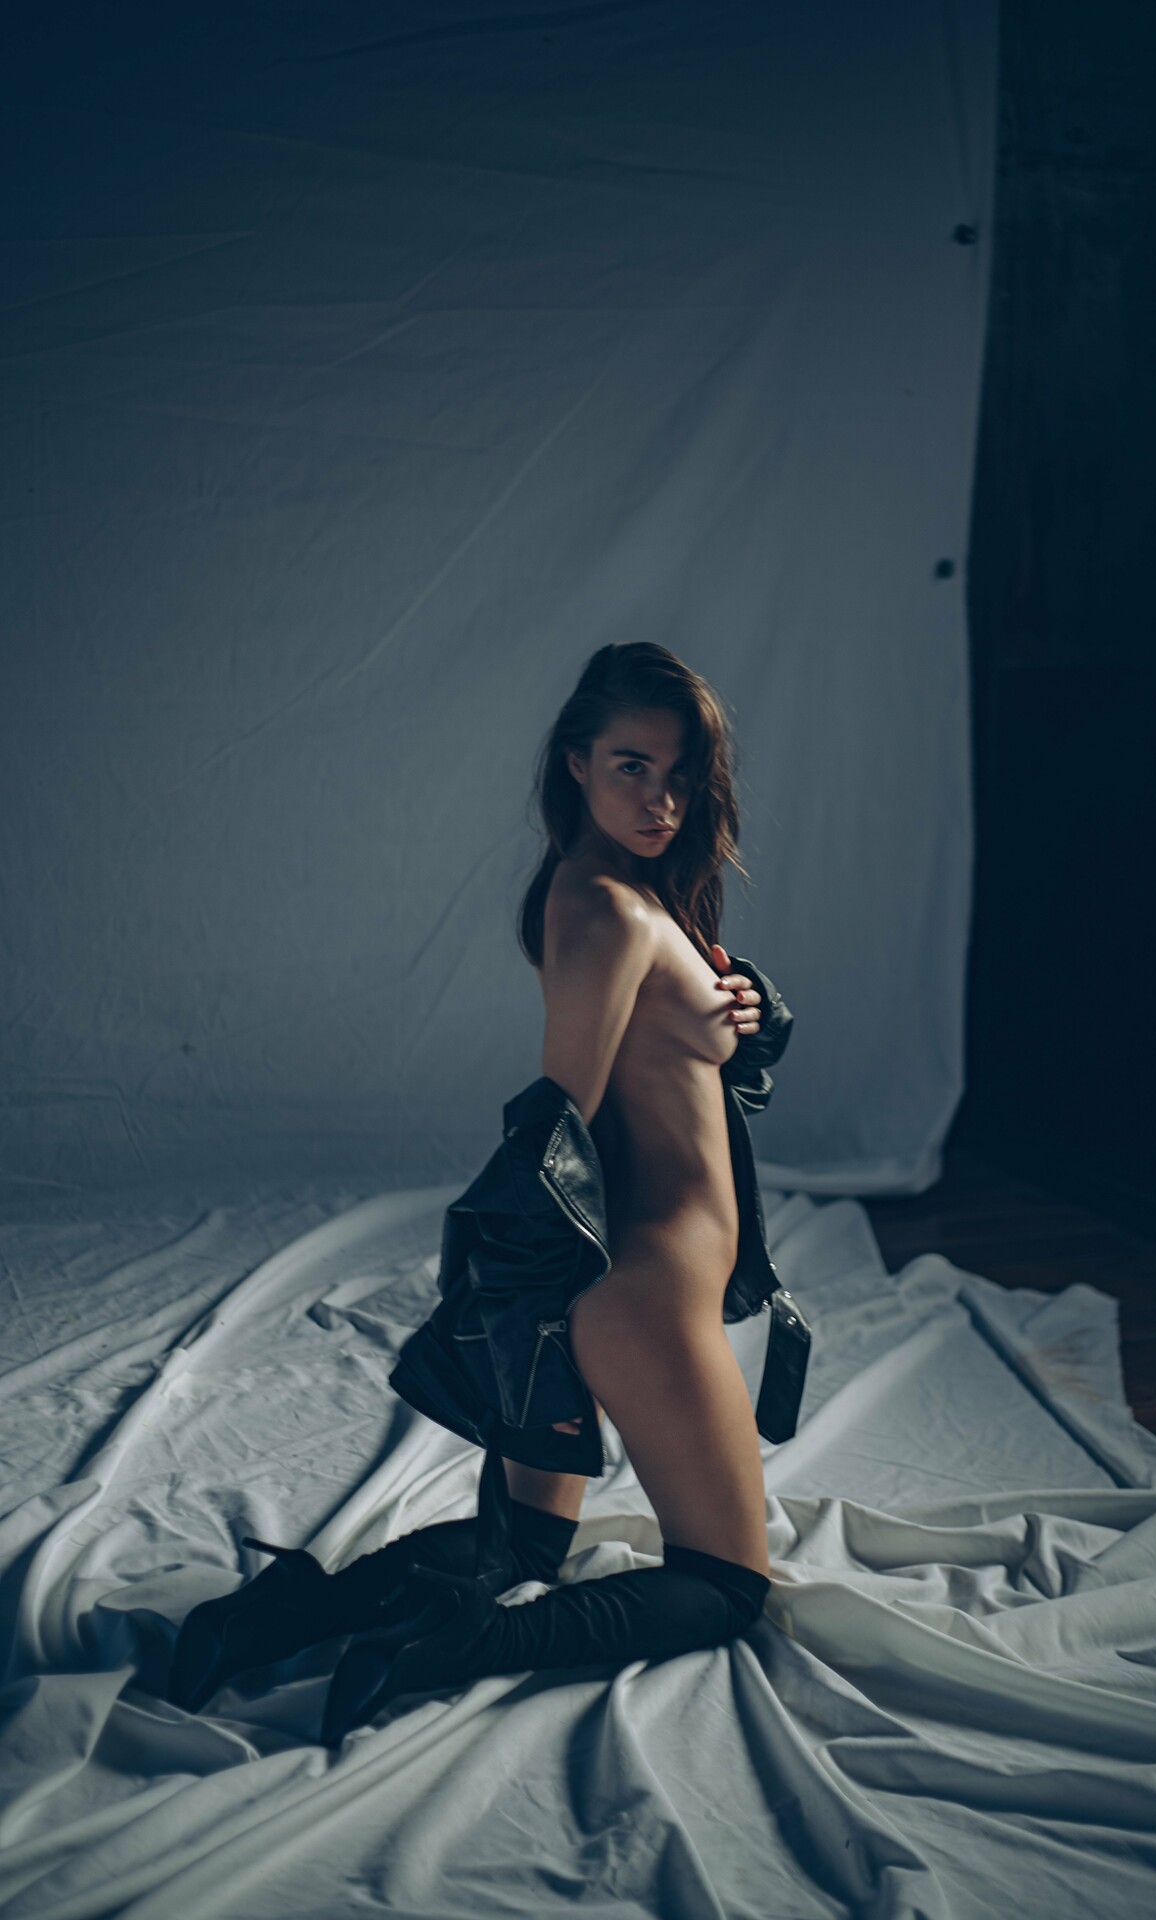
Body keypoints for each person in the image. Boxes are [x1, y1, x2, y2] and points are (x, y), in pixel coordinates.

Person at [167, 643, 800, 1742]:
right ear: (575, 764)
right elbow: (563, 1118)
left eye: (680, 774)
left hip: (632, 1281)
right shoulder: (605, 909)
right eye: (631, 766)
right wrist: (514, 1303)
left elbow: (661, 1074)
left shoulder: (626, 893)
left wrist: (744, 1017)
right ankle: (455, 1643)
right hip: (645, 1292)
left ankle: (261, 1624)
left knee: (526, 1544)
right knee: (725, 1585)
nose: (660, 799)